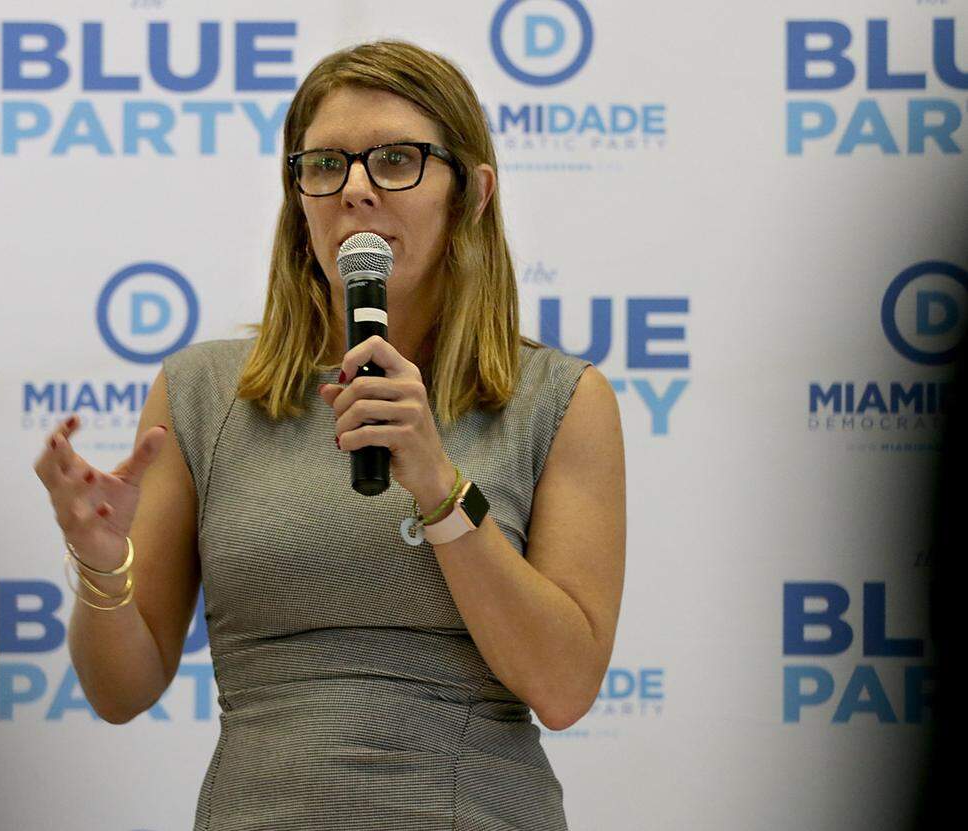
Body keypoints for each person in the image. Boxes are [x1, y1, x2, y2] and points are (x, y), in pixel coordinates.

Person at [33, 39, 625, 831]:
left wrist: (440, 486)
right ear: (298, 195)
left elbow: (563, 686)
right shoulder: (202, 392)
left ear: (474, 192)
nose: (356, 190)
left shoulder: (561, 401)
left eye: (396, 160)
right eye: (325, 165)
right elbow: (119, 691)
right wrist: (103, 567)